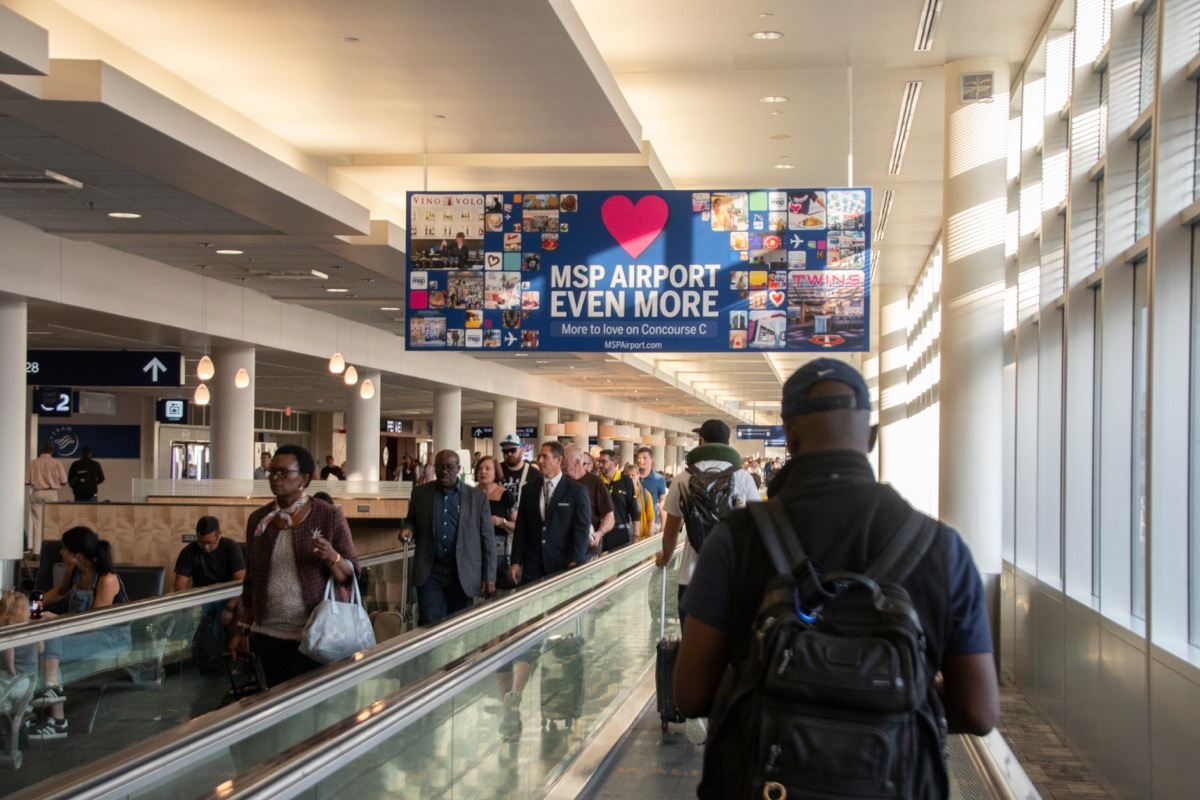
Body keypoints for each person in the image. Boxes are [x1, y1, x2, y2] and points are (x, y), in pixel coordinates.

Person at [675, 359, 999, 796]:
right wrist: (882, 694)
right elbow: (979, 711)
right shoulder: (942, 548)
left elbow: (691, 694)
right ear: (871, 436)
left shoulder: (737, 538)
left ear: (789, 434)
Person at [230, 445, 360, 688]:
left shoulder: (328, 515)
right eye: (273, 472)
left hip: (315, 634)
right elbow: (252, 581)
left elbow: (351, 575)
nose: (276, 478)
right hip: (268, 632)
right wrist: (242, 628)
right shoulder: (259, 520)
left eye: (284, 472)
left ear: (304, 479)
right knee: (277, 702)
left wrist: (332, 557)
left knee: (308, 706)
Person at [500, 440, 590, 737]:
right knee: (529, 629)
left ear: (559, 461)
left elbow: (580, 529)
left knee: (556, 633)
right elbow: (524, 529)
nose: (539, 461)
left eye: (544, 457)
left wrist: (576, 563)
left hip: (561, 571)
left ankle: (557, 693)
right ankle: (516, 692)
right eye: (538, 457)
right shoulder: (530, 490)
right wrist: (516, 562)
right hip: (534, 571)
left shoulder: (576, 492)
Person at [29, 526, 132, 740]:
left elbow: (92, 624)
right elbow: (58, 593)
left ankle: (58, 720)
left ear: (76, 554)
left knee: (49, 643)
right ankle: (47, 695)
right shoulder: (74, 570)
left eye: (64, 549)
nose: (60, 552)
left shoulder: (107, 579)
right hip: (78, 632)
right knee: (45, 642)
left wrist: (56, 620)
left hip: (110, 639)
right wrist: (31, 609)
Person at [399, 450, 496, 626]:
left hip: (462, 573)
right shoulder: (420, 494)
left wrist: (489, 575)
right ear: (434, 468)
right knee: (429, 623)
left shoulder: (477, 498)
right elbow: (411, 520)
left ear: (458, 468)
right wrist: (407, 529)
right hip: (430, 571)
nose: (445, 471)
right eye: (440, 466)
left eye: (450, 467)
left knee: (458, 626)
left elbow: (487, 538)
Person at [174, 516, 247, 664]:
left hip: (228, 596)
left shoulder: (230, 547)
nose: (206, 547)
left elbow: (241, 581)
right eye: (201, 542)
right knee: (186, 617)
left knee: (237, 611)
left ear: (219, 534)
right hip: (202, 597)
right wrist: (186, 606)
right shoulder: (189, 551)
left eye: (210, 543)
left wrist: (230, 606)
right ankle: (192, 659)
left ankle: (238, 660)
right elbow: (180, 584)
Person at [564, 444, 614, 558]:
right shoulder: (562, 481)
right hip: (563, 549)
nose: (562, 463)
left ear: (577, 462)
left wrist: (600, 533)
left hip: (587, 547)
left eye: (565, 459)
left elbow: (609, 515)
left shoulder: (595, 482)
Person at [474, 456, 517, 589]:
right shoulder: (471, 494)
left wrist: (501, 521)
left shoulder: (505, 495)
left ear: (496, 472)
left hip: (501, 556)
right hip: (476, 552)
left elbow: (517, 526)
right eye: (480, 468)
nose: (483, 472)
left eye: (488, 468)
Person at [26, 442, 67, 552]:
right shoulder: (56, 463)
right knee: (52, 522)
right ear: (52, 451)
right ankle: (51, 550)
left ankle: (36, 551)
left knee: (37, 522)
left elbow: (27, 481)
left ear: (41, 449)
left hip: (37, 492)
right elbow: (64, 481)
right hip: (51, 493)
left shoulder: (33, 463)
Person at [597, 449, 640, 551]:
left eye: (604, 461)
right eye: (599, 461)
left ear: (614, 463)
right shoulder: (597, 481)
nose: (600, 465)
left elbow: (633, 508)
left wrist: (636, 534)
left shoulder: (626, 481)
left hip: (621, 532)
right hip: (601, 533)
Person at [497, 433, 542, 514]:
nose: (509, 454)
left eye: (513, 450)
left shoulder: (534, 473)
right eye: (505, 451)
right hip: (499, 518)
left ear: (522, 450)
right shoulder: (496, 470)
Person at [635, 446, 667, 534]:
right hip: (635, 522)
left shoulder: (659, 479)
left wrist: (663, 525)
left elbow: (662, 502)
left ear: (651, 460)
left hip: (652, 522)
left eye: (645, 458)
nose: (641, 461)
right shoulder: (632, 477)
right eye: (639, 458)